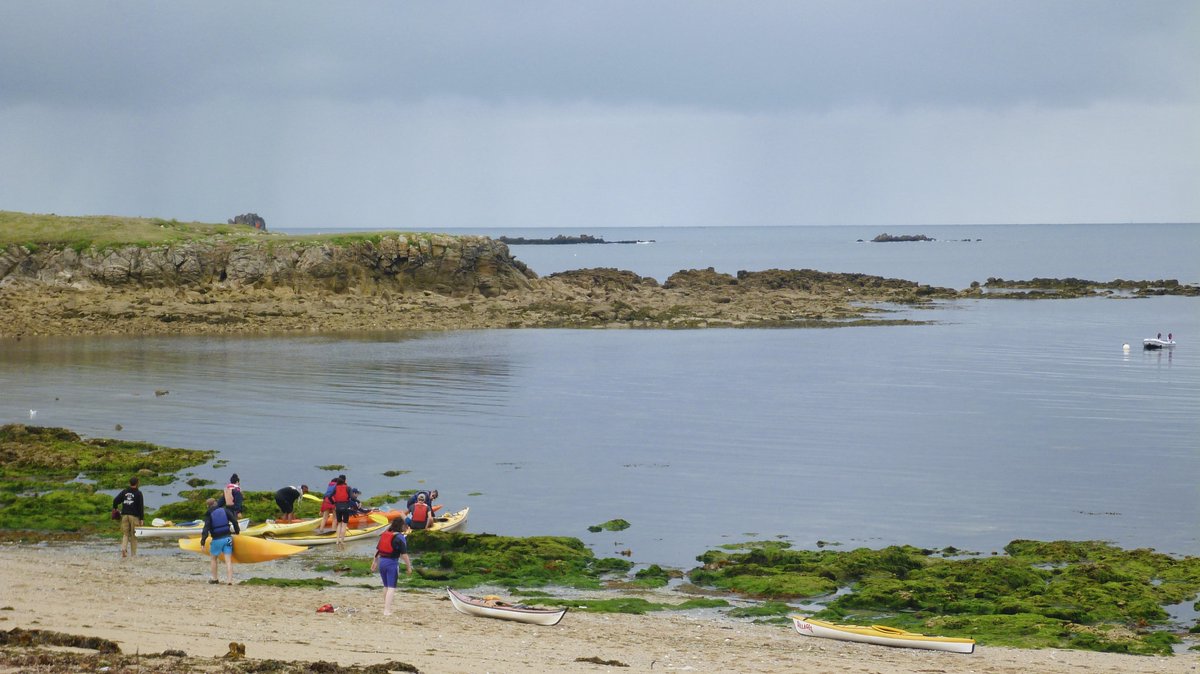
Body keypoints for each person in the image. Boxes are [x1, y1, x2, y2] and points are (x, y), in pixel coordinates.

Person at [370, 518, 412, 616]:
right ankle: (387, 610)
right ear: (401, 526)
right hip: (392, 564)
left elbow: (378, 550)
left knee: (386, 586)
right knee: (391, 587)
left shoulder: (385, 535)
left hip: (382, 562)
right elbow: (404, 554)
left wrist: (374, 562)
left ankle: (386, 607)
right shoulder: (400, 537)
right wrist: (408, 567)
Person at [200, 496, 241, 585]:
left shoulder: (209, 514)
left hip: (217, 540)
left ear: (208, 506)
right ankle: (229, 580)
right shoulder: (225, 510)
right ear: (216, 503)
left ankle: (215, 579)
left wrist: (202, 542)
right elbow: (234, 521)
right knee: (228, 560)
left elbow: (205, 529)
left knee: (213, 559)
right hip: (227, 538)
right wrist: (237, 532)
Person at [112, 477, 145, 558]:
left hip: (125, 516)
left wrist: (115, 508)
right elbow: (141, 507)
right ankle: (133, 555)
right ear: (137, 483)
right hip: (134, 517)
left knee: (126, 534)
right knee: (134, 536)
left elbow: (115, 500)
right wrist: (141, 519)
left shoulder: (124, 491)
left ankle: (123, 549)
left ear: (129, 483)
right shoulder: (138, 493)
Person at [329, 475, 354, 549]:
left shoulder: (335, 487)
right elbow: (352, 497)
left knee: (339, 524)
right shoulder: (348, 488)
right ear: (345, 480)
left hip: (338, 507)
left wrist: (333, 503)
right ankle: (342, 541)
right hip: (345, 507)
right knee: (344, 524)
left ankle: (337, 541)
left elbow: (330, 496)